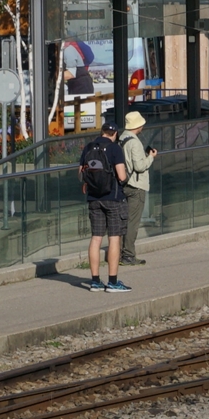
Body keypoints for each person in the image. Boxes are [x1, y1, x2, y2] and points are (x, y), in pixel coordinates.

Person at [79, 119, 131, 292]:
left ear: (101, 132)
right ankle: (113, 282)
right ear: (115, 134)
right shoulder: (115, 148)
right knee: (114, 237)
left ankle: (95, 281)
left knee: (96, 237)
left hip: (93, 198)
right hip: (113, 198)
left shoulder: (89, 147)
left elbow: (81, 173)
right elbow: (122, 176)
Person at [118, 111, 157, 266]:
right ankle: (128, 255)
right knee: (132, 223)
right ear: (138, 125)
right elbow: (140, 166)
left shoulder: (122, 138)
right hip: (136, 185)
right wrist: (151, 158)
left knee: (124, 220)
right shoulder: (135, 142)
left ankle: (120, 251)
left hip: (124, 184)